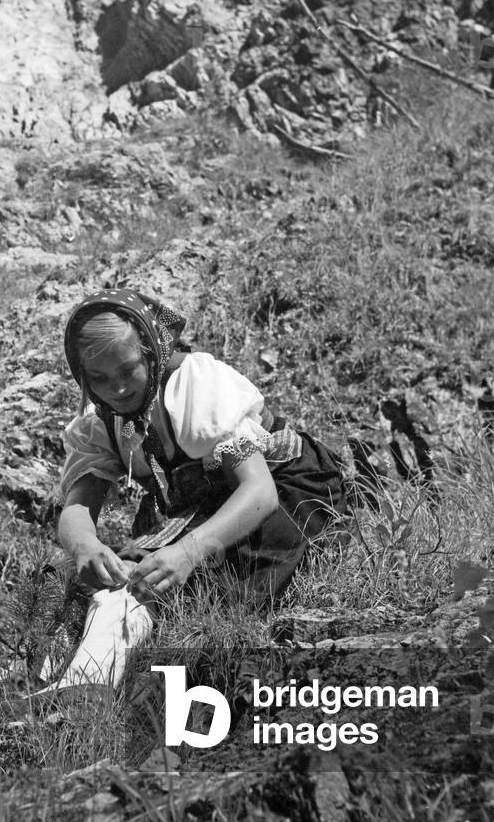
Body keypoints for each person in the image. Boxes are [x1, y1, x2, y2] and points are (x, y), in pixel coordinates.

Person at [41, 287, 345, 693]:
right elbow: (76, 510)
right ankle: (43, 678)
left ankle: (88, 684)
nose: (116, 390)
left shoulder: (193, 387)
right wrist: (83, 546)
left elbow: (259, 492)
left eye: (128, 370)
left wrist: (188, 551)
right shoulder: (103, 424)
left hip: (279, 493)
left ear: (150, 352)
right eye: (98, 378)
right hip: (204, 507)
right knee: (95, 575)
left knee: (181, 576)